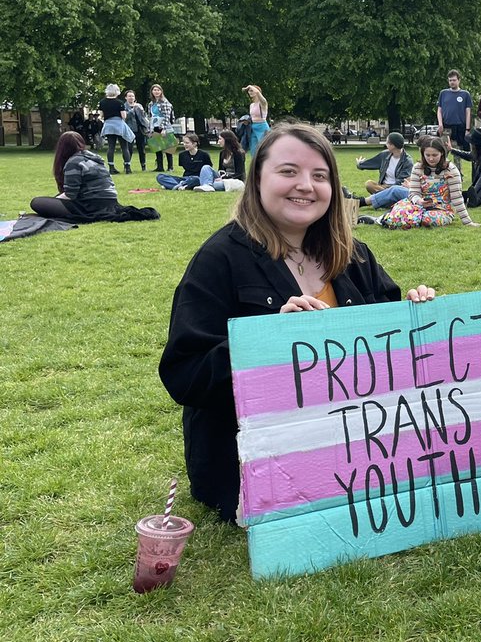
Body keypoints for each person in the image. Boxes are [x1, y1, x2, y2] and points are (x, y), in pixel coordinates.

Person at [159, 123, 435, 523]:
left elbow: (387, 346)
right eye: (289, 171)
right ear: (257, 179)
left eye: (319, 176)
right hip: (252, 465)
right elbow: (184, 374)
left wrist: (415, 315)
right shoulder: (218, 260)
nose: (305, 185)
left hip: (355, 452)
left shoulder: (353, 255)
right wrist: (268, 340)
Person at [380, 135, 479, 229]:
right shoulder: (417, 167)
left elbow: (457, 197)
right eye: (427, 155)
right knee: (399, 212)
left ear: (442, 153)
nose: (431, 158)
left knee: (427, 219)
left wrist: (467, 221)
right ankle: (385, 219)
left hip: (442, 209)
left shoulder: (451, 170)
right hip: (418, 205)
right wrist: (419, 201)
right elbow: (413, 193)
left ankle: (405, 220)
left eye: (435, 155)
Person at [29, 132, 118, 221]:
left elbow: (70, 195)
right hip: (110, 203)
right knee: (53, 200)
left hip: (90, 206)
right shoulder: (94, 158)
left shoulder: (74, 162)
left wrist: (53, 200)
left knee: (37, 202)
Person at [350, 131, 413, 210]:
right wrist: (360, 164)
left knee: (394, 191)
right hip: (382, 186)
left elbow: (401, 182)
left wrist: (389, 190)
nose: (386, 144)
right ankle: (387, 201)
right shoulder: (384, 155)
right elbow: (371, 162)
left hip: (396, 187)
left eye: (387, 142)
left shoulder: (407, 161)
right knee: (369, 184)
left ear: (392, 145)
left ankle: (381, 200)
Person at [99, 83, 134, 175]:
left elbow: (101, 115)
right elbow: (123, 116)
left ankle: (111, 167)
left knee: (111, 147)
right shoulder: (119, 102)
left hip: (108, 125)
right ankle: (127, 167)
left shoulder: (102, 102)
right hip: (118, 124)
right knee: (124, 146)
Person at [437, 70, 472, 151]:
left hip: (460, 127)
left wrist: (467, 129)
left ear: (459, 80)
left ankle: (457, 164)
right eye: (450, 80)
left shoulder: (465, 94)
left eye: (454, 80)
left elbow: (468, 112)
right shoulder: (443, 93)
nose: (452, 82)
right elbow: (439, 110)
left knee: (458, 153)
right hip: (446, 127)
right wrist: (440, 124)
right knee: (442, 151)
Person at [148, 84, 176, 172]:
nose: (156, 92)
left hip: (164, 126)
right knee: (157, 148)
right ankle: (159, 167)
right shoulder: (151, 104)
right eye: (154, 90)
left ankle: (170, 167)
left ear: (161, 91)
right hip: (155, 126)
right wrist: (150, 129)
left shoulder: (165, 102)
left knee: (168, 148)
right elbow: (150, 116)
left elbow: (167, 116)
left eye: (158, 90)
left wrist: (163, 129)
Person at [124, 89, 150, 172]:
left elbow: (144, 117)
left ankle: (143, 165)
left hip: (140, 130)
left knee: (141, 149)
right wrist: (132, 110)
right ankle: (127, 165)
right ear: (126, 97)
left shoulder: (139, 105)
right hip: (129, 130)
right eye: (129, 96)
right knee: (129, 149)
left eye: (132, 96)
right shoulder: (124, 106)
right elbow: (125, 118)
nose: (131, 98)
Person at [244, 85, 269, 156]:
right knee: (253, 150)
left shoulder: (263, 103)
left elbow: (258, 92)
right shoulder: (251, 105)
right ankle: (255, 165)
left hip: (262, 126)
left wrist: (249, 86)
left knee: (264, 148)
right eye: (249, 91)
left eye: (252, 90)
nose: (250, 92)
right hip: (253, 127)